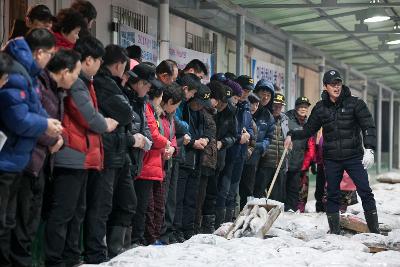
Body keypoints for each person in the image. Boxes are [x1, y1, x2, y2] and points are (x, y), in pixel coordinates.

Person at [44, 44, 117, 266]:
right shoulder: (76, 84)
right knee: (64, 212)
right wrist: (105, 123)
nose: (100, 65)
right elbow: (88, 117)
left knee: (77, 211)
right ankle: (56, 260)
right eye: (98, 60)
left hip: (81, 155)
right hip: (70, 154)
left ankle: (71, 256)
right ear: (87, 60)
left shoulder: (83, 83)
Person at [284, 69, 379, 234]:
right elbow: (308, 129)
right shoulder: (321, 108)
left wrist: (369, 149)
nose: (336, 87)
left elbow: (368, 126)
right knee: (332, 194)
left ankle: (375, 230)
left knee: (365, 191)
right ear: (325, 87)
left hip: (354, 157)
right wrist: (292, 135)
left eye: (338, 83)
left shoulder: (355, 103)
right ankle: (334, 232)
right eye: (332, 84)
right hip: (332, 159)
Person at [0, 29, 62, 267]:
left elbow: (33, 110)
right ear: (38, 52)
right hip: (9, 159)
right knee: (6, 221)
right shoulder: (16, 74)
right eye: (49, 54)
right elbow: (18, 118)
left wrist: (48, 125)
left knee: (11, 220)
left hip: (18, 158)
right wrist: (45, 125)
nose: (50, 60)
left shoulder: (28, 73)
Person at [174, 84, 212, 240]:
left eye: (203, 105)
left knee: (192, 198)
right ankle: (176, 230)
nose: (199, 106)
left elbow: (208, 129)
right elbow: (182, 133)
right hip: (184, 158)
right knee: (179, 198)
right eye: (198, 103)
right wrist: (192, 142)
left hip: (197, 159)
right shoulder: (183, 109)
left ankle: (188, 229)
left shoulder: (201, 113)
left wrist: (205, 138)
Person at [201, 81, 236, 233]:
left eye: (224, 102)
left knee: (213, 192)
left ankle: (209, 224)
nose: (221, 105)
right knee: (201, 192)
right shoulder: (206, 110)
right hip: (202, 156)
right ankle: (200, 223)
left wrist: (223, 142)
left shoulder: (230, 112)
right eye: (220, 101)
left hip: (219, 158)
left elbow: (234, 135)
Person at [254, 93, 289, 203]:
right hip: (265, 161)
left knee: (276, 196)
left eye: (280, 106)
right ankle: (257, 217)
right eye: (275, 105)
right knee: (259, 193)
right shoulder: (265, 117)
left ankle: (275, 218)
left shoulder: (284, 120)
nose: (278, 108)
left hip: (279, 164)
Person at [285, 96, 315, 211]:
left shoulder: (308, 123)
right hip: (286, 160)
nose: (303, 109)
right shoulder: (287, 118)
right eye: (301, 106)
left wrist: (312, 161)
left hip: (299, 162)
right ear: (296, 107)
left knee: (294, 189)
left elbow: (311, 144)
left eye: (305, 107)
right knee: (282, 189)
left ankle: (291, 211)